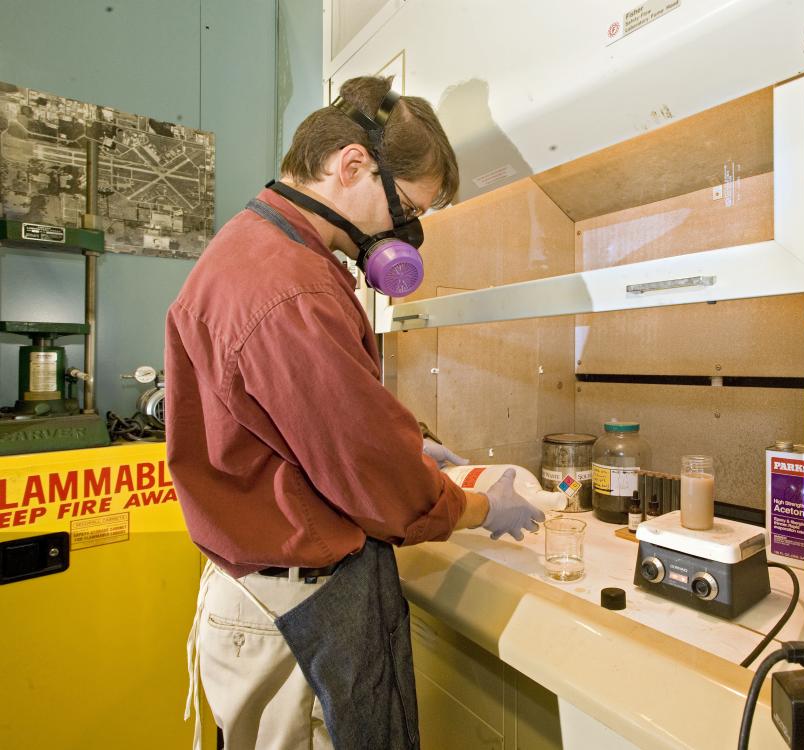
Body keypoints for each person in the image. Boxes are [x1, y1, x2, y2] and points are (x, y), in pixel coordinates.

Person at [164, 75, 544, 750]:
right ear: (350, 166)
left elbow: (308, 417)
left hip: (261, 594)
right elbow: (379, 484)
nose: (404, 235)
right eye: (405, 212)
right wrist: (480, 507)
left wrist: (412, 442)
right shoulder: (292, 288)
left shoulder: (259, 247)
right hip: (298, 611)